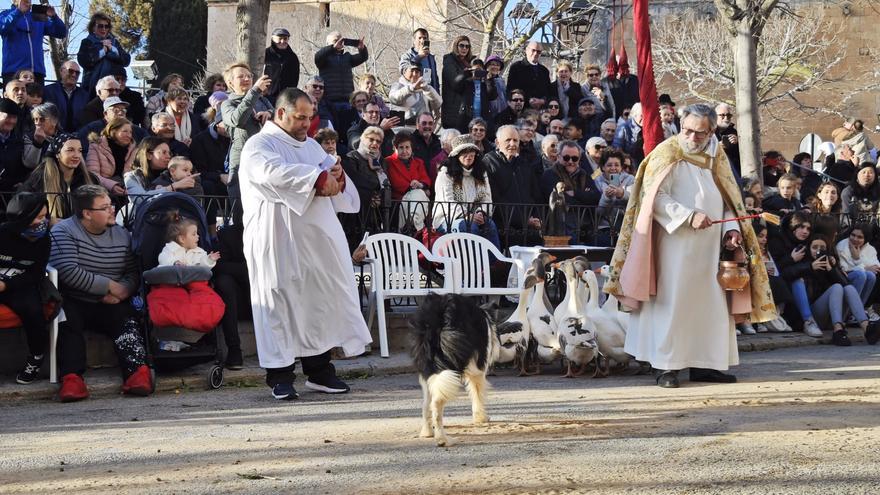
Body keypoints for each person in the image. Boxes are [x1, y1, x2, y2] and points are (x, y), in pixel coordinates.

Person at [603, 103, 775, 388]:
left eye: (700, 133)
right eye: (688, 131)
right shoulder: (667, 152)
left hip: (709, 249)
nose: (692, 138)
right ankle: (666, 366)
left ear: (711, 133)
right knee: (673, 304)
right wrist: (687, 216)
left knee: (711, 307)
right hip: (673, 247)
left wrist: (731, 230)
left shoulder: (716, 156)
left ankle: (705, 364)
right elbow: (653, 198)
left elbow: (729, 199)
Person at [238, 87, 372, 400]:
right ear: (280, 113)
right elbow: (271, 173)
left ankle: (319, 370)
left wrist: (335, 173)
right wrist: (316, 177)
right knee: (278, 302)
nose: (305, 125)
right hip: (276, 239)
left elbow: (334, 183)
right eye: (300, 118)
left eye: (309, 118)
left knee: (317, 301)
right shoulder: (258, 145)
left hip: (312, 243)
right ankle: (280, 375)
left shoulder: (312, 147)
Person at [49, 184, 151, 401]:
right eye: (105, 207)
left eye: (111, 204)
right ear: (87, 213)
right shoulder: (63, 231)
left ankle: (137, 373)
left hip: (114, 301)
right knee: (67, 322)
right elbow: (68, 272)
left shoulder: (123, 234)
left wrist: (123, 292)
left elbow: (133, 272)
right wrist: (111, 286)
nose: (112, 209)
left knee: (127, 320)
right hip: (75, 298)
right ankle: (72, 379)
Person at [0, 192, 52, 384]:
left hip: (20, 285)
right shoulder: (3, 234)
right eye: (39, 217)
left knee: (32, 309)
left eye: (45, 216)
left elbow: (36, 273)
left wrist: (7, 284)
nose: (43, 222)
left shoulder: (43, 239)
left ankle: (36, 357)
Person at [785, 234, 869, 346]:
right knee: (836, 287)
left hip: (834, 315)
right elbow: (787, 274)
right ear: (808, 249)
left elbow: (846, 284)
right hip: (815, 316)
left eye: (822, 248)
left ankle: (866, 326)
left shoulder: (830, 263)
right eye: (814, 248)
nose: (818, 251)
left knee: (846, 287)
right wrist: (810, 267)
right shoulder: (803, 264)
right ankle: (838, 329)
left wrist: (832, 270)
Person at [221, 62, 273, 213]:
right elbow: (237, 120)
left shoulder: (262, 101)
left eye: (249, 76)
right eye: (241, 76)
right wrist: (255, 90)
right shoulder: (228, 103)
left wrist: (269, 113)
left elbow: (279, 116)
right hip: (241, 161)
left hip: (265, 159)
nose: (246, 79)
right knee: (241, 212)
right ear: (230, 82)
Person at [432, 135, 499, 248]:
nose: (469, 156)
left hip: (474, 216)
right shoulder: (446, 173)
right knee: (469, 226)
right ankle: (472, 263)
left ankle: (494, 262)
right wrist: (467, 215)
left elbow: (486, 198)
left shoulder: (481, 173)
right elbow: (448, 202)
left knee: (489, 225)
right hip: (447, 219)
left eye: (472, 152)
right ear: (456, 155)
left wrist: (480, 213)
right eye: (464, 152)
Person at [482, 125, 543, 245]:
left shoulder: (524, 164)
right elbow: (495, 199)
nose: (512, 144)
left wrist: (537, 218)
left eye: (515, 140)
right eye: (508, 140)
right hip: (502, 224)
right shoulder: (488, 162)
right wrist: (524, 220)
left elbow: (535, 195)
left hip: (528, 224)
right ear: (497, 142)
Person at [19, 133, 98, 222]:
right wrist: (47, 221)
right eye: (70, 150)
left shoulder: (90, 179)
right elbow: (23, 207)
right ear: (57, 154)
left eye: (80, 151)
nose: (76, 155)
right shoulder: (40, 177)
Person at [0, 0, 67, 85]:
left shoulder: (37, 17)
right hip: (13, 72)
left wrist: (54, 17)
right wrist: (18, 12)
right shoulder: (5, 15)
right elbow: (3, 28)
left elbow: (61, 33)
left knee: (37, 98)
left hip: (36, 73)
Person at [76, 12, 131, 97]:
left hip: (114, 88)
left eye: (106, 26)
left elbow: (126, 60)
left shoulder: (115, 43)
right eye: (100, 26)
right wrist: (103, 51)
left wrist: (113, 49)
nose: (104, 29)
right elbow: (83, 61)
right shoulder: (87, 42)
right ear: (93, 27)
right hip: (92, 88)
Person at [836, 223, 880, 321]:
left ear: (866, 239)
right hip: (844, 277)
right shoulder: (842, 246)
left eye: (860, 237)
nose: (855, 239)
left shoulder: (870, 249)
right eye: (853, 235)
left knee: (871, 276)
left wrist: (857, 259)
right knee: (861, 275)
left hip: (858, 274)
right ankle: (850, 312)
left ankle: (856, 312)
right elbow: (844, 268)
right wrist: (861, 264)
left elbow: (876, 267)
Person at [315, 31, 368, 109]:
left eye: (340, 40)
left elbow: (363, 57)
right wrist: (332, 48)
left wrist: (362, 49)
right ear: (327, 43)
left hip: (347, 100)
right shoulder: (324, 58)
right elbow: (318, 57)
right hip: (329, 100)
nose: (339, 43)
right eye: (335, 41)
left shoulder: (347, 57)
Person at [86, 117, 136, 197]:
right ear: (113, 131)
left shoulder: (133, 150)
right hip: (102, 191)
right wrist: (112, 186)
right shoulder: (96, 146)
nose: (129, 135)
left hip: (126, 191)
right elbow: (92, 174)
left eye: (130, 132)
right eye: (125, 131)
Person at [594, 148, 635, 246]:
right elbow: (599, 212)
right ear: (603, 167)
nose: (613, 168)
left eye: (617, 165)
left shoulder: (630, 179)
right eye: (609, 165)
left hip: (626, 226)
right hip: (604, 227)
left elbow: (634, 199)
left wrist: (621, 194)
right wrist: (606, 197)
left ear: (621, 167)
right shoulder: (597, 181)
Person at [42, 61, 90, 133]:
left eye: (77, 73)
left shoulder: (85, 96)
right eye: (70, 71)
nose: (74, 75)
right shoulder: (48, 91)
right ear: (61, 71)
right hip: (53, 136)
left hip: (78, 137)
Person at [385, 132, 431, 201]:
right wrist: (415, 188)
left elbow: (425, 179)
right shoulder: (388, 161)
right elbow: (396, 183)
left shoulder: (419, 162)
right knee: (418, 194)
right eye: (401, 147)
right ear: (395, 148)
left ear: (411, 148)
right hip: (399, 201)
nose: (404, 151)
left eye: (407, 147)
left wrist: (420, 185)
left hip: (419, 198)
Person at [506, 42, 552, 111]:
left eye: (538, 52)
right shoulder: (516, 67)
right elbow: (511, 89)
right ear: (526, 50)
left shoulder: (544, 71)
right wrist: (528, 99)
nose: (536, 53)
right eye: (533, 50)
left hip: (541, 110)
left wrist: (543, 100)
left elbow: (548, 90)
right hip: (522, 109)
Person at [441, 35, 474, 130]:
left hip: (466, 112)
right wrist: (467, 74)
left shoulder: (469, 62)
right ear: (456, 46)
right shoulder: (449, 61)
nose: (464, 48)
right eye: (461, 45)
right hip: (453, 112)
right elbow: (456, 83)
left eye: (467, 46)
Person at [263, 28, 300, 104]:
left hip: (285, 98)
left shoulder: (292, 57)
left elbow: (295, 79)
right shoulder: (265, 54)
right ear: (273, 39)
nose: (282, 41)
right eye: (280, 38)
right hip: (266, 95)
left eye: (285, 39)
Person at [22, 102, 60, 170]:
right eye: (35, 119)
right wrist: (37, 143)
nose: (37, 123)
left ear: (54, 121)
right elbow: (29, 164)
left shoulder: (64, 138)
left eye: (42, 119)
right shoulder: (29, 137)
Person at [0, 98, 24, 191]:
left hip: (10, 193)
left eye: (14, 117)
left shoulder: (18, 140)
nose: (12, 121)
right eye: (8, 117)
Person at [612, 102, 644, 169]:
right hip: (627, 165)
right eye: (642, 116)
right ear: (634, 115)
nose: (644, 119)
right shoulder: (623, 128)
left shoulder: (647, 128)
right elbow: (617, 149)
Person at [715, 103, 740, 178]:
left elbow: (740, 156)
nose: (726, 118)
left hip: (732, 171)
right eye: (722, 115)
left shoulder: (734, 132)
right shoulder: (708, 131)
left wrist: (738, 143)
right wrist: (717, 146)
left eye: (729, 115)